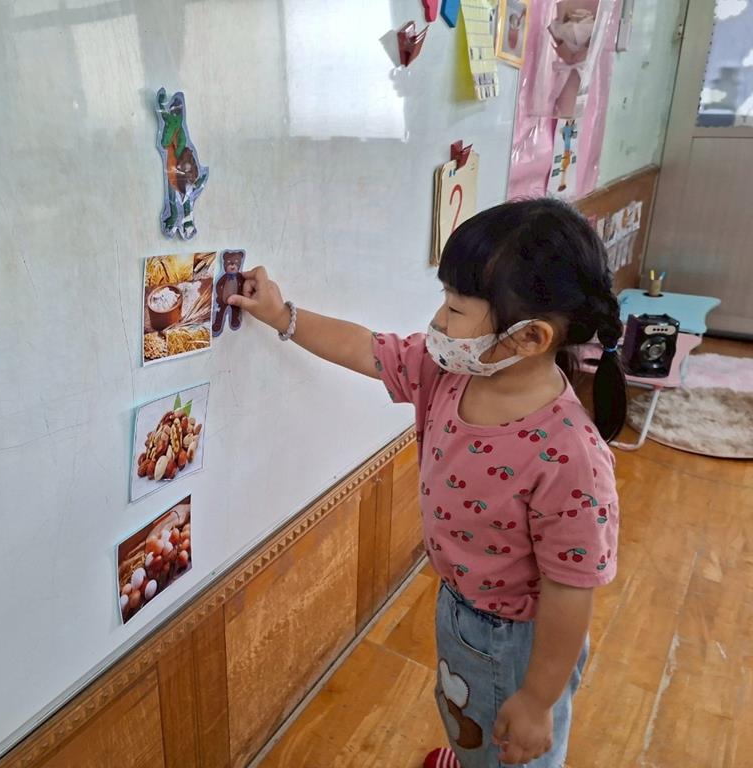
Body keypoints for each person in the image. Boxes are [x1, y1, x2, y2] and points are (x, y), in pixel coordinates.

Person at [229, 199, 625, 767]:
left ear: (530, 338)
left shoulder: (570, 456)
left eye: (456, 308)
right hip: (458, 606)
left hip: (520, 643)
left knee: (514, 747)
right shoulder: (447, 372)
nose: (439, 321)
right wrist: (281, 315)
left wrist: (538, 701)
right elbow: (366, 348)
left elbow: (571, 590)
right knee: (469, 720)